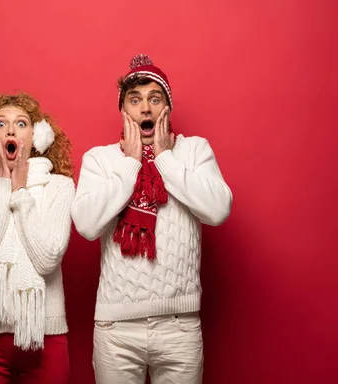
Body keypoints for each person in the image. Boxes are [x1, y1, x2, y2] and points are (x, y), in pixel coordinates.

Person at [71, 54, 233, 383]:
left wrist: (165, 159)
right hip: (116, 329)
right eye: (135, 100)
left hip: (179, 325)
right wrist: (131, 164)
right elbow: (86, 226)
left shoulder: (195, 151)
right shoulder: (100, 160)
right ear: (124, 111)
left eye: (154, 99)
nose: (145, 108)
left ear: (166, 110)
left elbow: (218, 210)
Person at [0, 93, 74, 383]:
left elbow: (48, 258)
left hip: (45, 337)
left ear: (38, 135)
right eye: (0, 123)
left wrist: (21, 195)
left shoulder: (61, 187)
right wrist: (3, 187)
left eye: (21, 123)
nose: (10, 130)